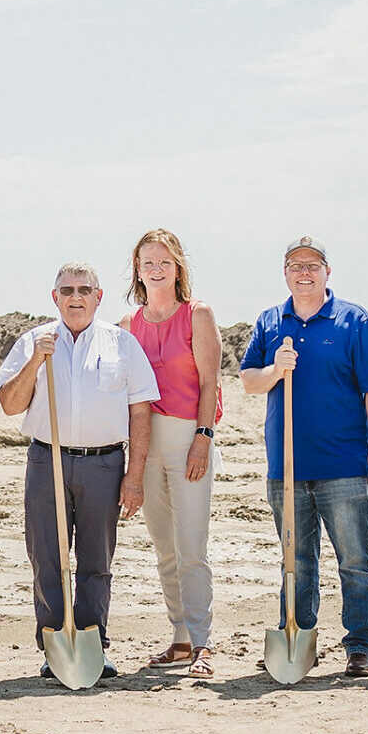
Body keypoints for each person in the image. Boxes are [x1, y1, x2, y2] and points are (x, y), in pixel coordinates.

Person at [237, 237, 368, 678]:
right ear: (284, 273)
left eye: (312, 265)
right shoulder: (271, 321)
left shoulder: (354, 320)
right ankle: (298, 636)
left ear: (328, 271)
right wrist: (275, 370)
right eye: (295, 265)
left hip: (343, 466)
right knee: (296, 560)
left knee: (355, 561)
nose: (303, 272)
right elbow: (249, 381)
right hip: (286, 467)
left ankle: (360, 644)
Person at [0, 262, 158, 683]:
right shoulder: (34, 341)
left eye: (84, 289)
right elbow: (11, 404)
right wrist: (36, 361)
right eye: (66, 290)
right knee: (47, 557)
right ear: (55, 298)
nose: (75, 297)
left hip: (104, 463)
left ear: (98, 297)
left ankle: (92, 645)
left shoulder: (122, 344)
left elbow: (141, 414)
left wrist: (134, 476)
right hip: (45, 458)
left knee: (96, 560)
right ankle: (54, 648)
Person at [121, 228, 223, 678]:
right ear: (137, 270)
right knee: (164, 546)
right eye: (147, 263)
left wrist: (203, 436)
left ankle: (202, 642)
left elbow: (209, 383)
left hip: (189, 436)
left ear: (177, 266)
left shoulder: (198, 315)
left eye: (164, 262)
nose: (156, 270)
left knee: (190, 546)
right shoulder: (128, 325)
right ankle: (180, 637)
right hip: (145, 441)